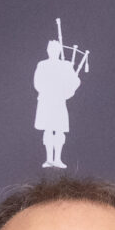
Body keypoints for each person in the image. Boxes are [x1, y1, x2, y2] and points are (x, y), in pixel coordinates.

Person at [31, 41, 78, 169]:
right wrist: (49, 89)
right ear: (47, 50)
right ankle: (49, 159)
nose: (53, 52)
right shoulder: (42, 64)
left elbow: (73, 81)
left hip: (59, 101)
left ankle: (57, 158)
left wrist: (68, 88)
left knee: (59, 130)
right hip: (46, 100)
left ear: (59, 51)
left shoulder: (65, 65)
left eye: (55, 49)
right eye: (51, 49)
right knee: (48, 129)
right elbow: (37, 82)